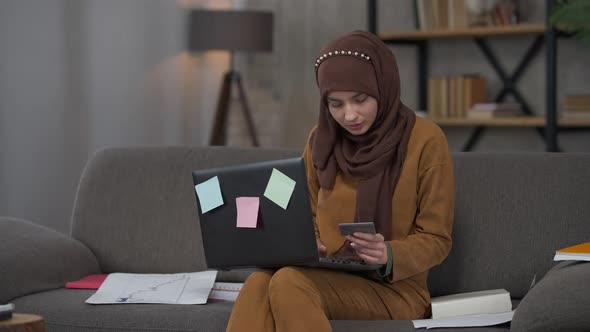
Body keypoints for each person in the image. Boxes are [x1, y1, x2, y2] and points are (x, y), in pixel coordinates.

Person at [226, 30, 454, 332]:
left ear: (382, 87)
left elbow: (438, 238)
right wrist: (309, 245)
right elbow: (303, 214)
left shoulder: (426, 140)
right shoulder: (320, 141)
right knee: (258, 282)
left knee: (289, 282)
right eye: (336, 104)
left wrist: (390, 253)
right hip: (328, 273)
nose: (349, 115)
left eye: (360, 100)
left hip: (395, 290)